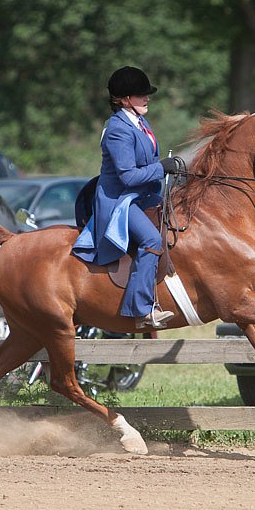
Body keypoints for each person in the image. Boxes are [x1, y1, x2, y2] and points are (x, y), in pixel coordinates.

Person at [72, 66, 181, 329]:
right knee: (153, 240)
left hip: (142, 196)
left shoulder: (141, 122)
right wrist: (160, 168)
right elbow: (128, 177)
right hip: (120, 201)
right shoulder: (118, 129)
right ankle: (141, 310)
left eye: (146, 94)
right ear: (123, 99)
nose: (146, 98)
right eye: (140, 94)